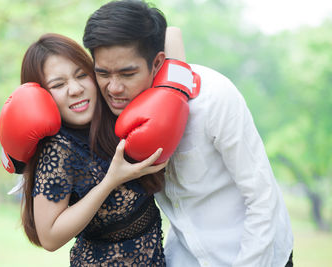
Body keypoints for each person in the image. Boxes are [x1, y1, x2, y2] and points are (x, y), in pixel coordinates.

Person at [83, 0, 294, 266]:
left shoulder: (212, 98)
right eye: (103, 73)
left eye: (127, 73)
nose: (113, 88)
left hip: (257, 254)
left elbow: (261, 197)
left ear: (158, 62)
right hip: (186, 256)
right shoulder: (107, 108)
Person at [0, 33, 169, 266]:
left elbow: (172, 36)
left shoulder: (117, 115)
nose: (76, 89)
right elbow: (49, 238)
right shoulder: (58, 149)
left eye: (82, 75)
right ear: (42, 97)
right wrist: (111, 181)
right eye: (58, 84)